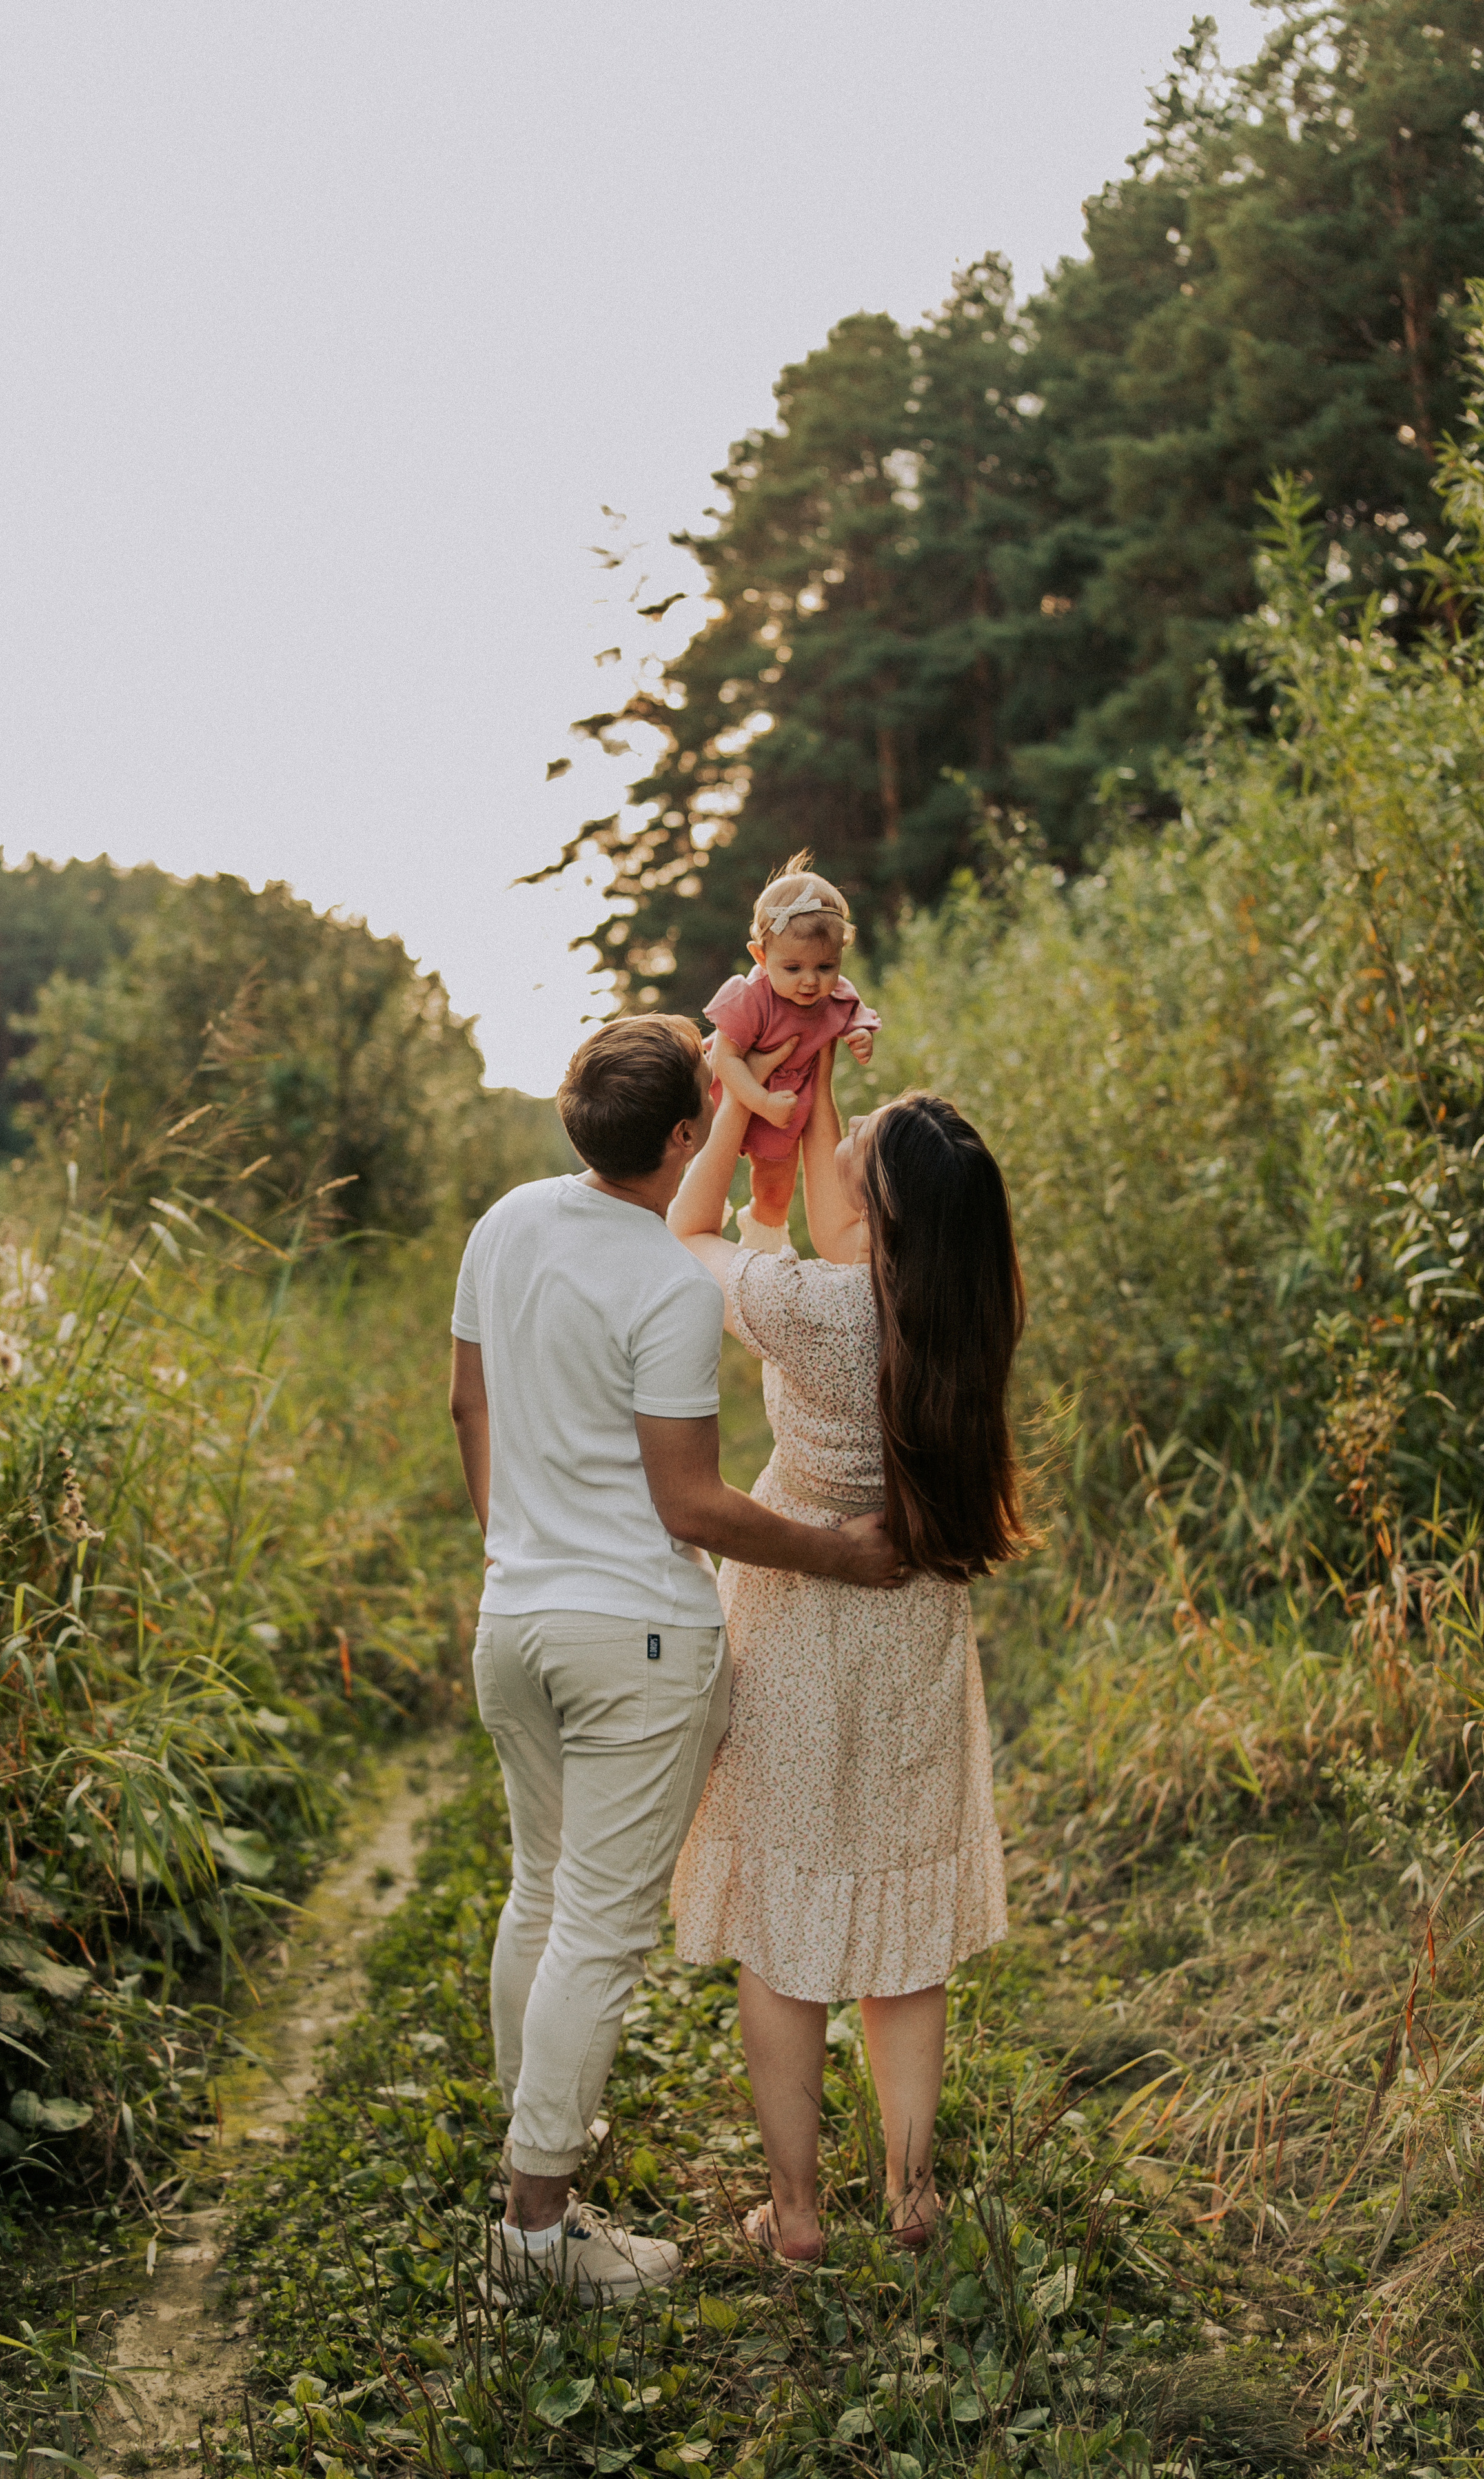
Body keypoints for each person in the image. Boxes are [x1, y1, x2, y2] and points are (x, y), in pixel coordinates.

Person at [448, 1014, 902, 2305]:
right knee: (594, 1922)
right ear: (687, 1136)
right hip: (633, 1641)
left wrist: (517, 1548)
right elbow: (691, 1505)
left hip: (516, 1620)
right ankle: (536, 2236)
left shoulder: (504, 1226)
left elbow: (466, 1404)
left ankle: (537, 2137)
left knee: (541, 1889)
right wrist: (837, 1553)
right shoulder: (660, 1281)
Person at [667, 1047, 1026, 2260]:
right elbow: (825, 1202)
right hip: (914, 1618)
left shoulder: (809, 1309)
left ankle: (801, 2214)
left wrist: (740, 1106)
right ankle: (913, 2196)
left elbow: (690, 1229)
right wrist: (818, 1084)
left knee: (785, 1926)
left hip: (796, 1615)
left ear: (873, 1212)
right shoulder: (975, 1314)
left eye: (856, 1156)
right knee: (901, 1925)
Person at [703, 852, 880, 1252]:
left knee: (775, 1189)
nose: (810, 981)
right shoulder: (749, 997)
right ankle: (697, 1232)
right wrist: (760, 1101)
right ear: (761, 957)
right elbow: (723, 1060)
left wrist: (862, 1039)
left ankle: (762, 1244)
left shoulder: (835, 995)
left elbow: (855, 1018)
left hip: (783, 1111)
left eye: (826, 966)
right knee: (706, 1171)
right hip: (725, 1097)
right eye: (794, 968)